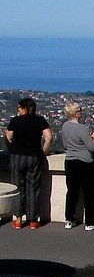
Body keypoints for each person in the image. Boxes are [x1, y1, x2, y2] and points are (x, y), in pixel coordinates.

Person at [5, 97, 53, 230]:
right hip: (33, 156)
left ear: (25, 108)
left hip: (17, 156)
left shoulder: (15, 121)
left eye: (19, 108)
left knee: (17, 187)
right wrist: (42, 152)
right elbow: (49, 137)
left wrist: (12, 150)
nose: (18, 110)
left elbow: (8, 137)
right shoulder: (40, 121)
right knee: (33, 187)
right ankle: (33, 220)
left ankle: (18, 219)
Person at [61, 102, 94, 231]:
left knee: (72, 191)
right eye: (79, 110)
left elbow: (65, 145)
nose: (81, 112)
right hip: (85, 162)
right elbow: (92, 147)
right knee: (89, 192)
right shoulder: (82, 128)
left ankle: (69, 219)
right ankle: (90, 222)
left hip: (70, 161)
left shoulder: (65, 126)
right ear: (74, 113)